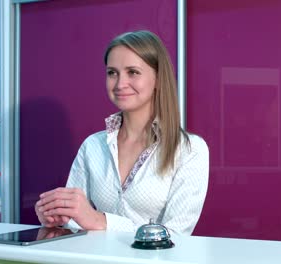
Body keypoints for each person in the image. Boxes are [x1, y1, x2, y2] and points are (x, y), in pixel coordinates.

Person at [34, 30, 209, 235]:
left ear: (159, 79)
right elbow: (77, 225)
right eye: (112, 73)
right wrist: (58, 216)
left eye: (133, 72)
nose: (120, 84)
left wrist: (101, 221)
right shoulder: (92, 146)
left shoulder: (190, 149)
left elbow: (177, 234)